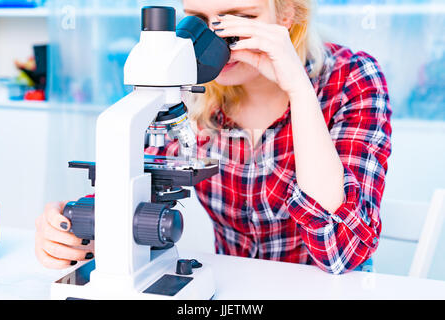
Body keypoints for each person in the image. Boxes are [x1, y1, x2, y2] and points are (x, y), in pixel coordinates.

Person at [35, 0, 392, 274]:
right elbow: (133, 180)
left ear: (285, 15)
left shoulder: (352, 79)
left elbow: (340, 253)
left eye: (240, 18)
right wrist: (74, 226)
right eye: (199, 21)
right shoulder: (189, 90)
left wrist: (299, 90)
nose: (215, 40)